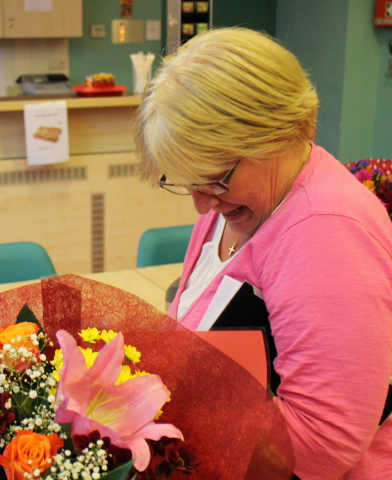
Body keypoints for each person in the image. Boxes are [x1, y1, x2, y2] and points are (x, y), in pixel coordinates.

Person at [135, 27, 392, 480]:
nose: (201, 204)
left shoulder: (325, 232)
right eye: (186, 182)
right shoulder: (239, 205)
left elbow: (321, 445)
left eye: (215, 178)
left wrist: (182, 414)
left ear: (279, 133)